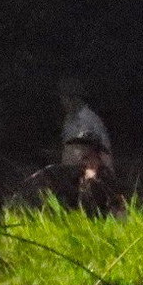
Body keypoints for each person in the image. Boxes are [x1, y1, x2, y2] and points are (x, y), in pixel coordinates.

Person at [58, 84, 118, 216]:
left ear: (73, 99)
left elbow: (93, 150)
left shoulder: (88, 120)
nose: (62, 103)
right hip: (74, 176)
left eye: (64, 99)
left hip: (94, 174)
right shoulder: (69, 120)